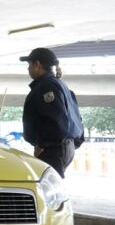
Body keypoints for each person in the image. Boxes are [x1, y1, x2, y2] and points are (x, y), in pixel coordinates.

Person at [20, 47, 84, 177]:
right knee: (52, 185)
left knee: (50, 189)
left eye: (29, 64)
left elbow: (55, 119)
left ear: (38, 64)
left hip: (52, 149)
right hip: (62, 146)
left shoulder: (46, 86)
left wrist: (43, 145)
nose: (28, 69)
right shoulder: (58, 84)